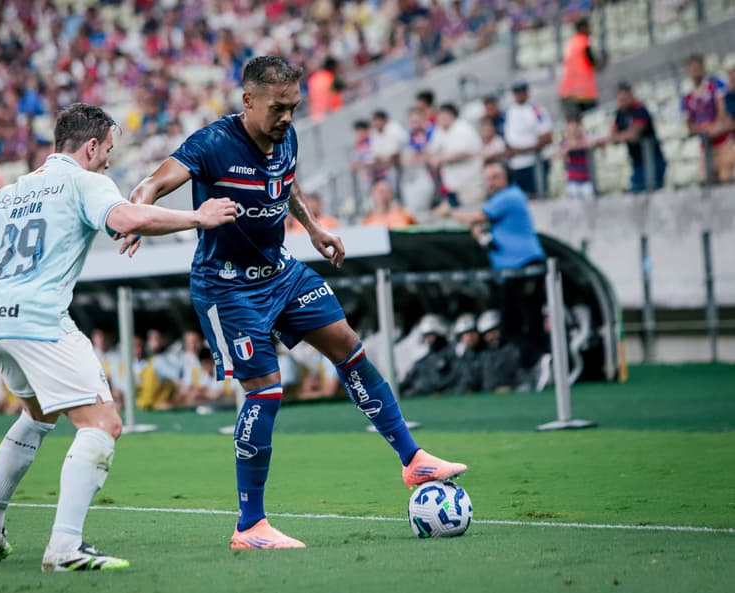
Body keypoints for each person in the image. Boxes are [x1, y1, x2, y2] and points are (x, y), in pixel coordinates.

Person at [121, 56, 466, 550]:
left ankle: (414, 461)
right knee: (266, 393)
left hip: (281, 271)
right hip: (227, 286)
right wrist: (143, 214)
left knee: (348, 346)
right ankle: (250, 527)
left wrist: (315, 227)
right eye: (277, 107)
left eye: (294, 107)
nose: (287, 117)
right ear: (248, 101)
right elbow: (151, 183)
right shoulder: (212, 144)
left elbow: (288, 184)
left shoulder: (287, 136)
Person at [0, 103, 237, 572]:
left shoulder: (12, 191)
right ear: (91, 146)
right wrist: (199, 216)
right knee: (103, 425)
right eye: (108, 150)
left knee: (38, 414)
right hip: (38, 317)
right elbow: (126, 220)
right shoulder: (85, 181)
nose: (109, 160)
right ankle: (65, 547)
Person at [435, 160, 547, 371]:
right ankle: (523, 367)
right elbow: (491, 234)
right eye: (488, 178)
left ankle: (540, 365)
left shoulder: (510, 196)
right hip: (510, 271)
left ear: (507, 177)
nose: (491, 182)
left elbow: (476, 217)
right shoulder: (502, 200)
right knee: (511, 320)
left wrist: (448, 212)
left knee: (529, 319)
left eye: (496, 177)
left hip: (525, 267)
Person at [596, 82, 667, 192]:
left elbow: (633, 134)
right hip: (637, 162)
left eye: (624, 98)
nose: (622, 102)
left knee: (652, 194)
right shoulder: (620, 113)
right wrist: (617, 136)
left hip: (653, 160)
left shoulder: (640, 110)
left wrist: (617, 137)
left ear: (631, 95)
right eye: (620, 99)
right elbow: (613, 134)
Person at [681, 54, 735, 183]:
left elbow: (723, 112)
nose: (695, 72)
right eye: (692, 69)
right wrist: (703, 130)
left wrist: (716, 127)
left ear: (703, 68)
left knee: (726, 180)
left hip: (724, 142)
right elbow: (689, 124)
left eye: (697, 68)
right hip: (705, 147)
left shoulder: (715, 86)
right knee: (708, 183)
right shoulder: (687, 97)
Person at [427, 103, 485, 207]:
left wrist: (441, 158)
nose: (440, 119)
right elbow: (431, 151)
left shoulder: (462, 127)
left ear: (451, 115)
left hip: (470, 183)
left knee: (472, 213)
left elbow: (465, 152)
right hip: (453, 186)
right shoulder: (440, 130)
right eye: (439, 116)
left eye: (444, 116)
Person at [505, 81, 553, 197]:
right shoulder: (510, 111)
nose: (519, 95)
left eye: (521, 92)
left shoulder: (536, 110)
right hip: (517, 163)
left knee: (538, 193)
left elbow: (546, 135)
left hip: (534, 161)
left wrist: (524, 149)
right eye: (516, 92)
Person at [399, 314, 456, 397]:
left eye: (431, 335)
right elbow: (408, 380)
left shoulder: (453, 355)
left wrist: (441, 391)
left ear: (439, 333)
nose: (428, 339)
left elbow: (457, 379)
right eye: (426, 336)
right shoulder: (423, 361)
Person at [558, 17, 603, 117]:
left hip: (567, 92)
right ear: (582, 28)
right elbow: (595, 64)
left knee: (573, 127)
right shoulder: (584, 42)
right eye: (588, 27)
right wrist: (604, 61)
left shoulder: (571, 43)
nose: (590, 30)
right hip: (584, 93)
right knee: (590, 123)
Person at [557, 115, 595, 201]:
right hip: (572, 180)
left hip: (586, 179)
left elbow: (587, 144)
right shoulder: (564, 141)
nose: (572, 130)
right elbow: (560, 152)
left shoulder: (583, 137)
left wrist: (572, 145)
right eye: (569, 128)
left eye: (574, 127)